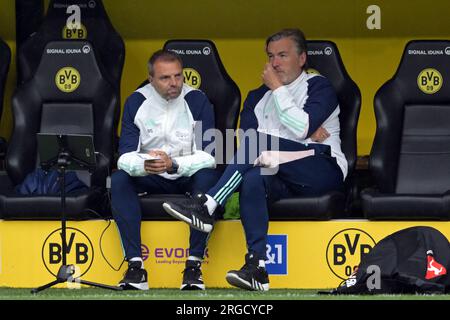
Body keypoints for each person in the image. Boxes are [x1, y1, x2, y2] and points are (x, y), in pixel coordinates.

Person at [163, 28, 347, 291]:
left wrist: (280, 95)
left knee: (259, 144)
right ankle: (257, 268)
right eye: (271, 56)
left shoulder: (319, 87)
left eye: (283, 55)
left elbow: (300, 127)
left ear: (302, 58)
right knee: (252, 177)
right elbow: (250, 146)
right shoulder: (256, 97)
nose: (275, 63)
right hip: (277, 171)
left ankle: (209, 205)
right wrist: (297, 128)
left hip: (321, 168)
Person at [111, 49, 220, 290]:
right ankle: (135, 268)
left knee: (208, 178)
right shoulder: (137, 101)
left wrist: (175, 164)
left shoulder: (198, 100)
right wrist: (144, 165)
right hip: (151, 174)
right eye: (165, 78)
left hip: (187, 173)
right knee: (119, 180)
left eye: (178, 76)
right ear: (151, 79)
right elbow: (124, 156)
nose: (174, 83)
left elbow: (211, 156)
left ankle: (193, 267)